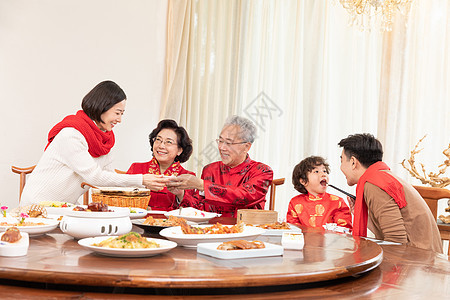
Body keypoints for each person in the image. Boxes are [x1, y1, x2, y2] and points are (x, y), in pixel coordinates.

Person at [20, 81, 167, 206]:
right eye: (117, 113)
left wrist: (147, 185)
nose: (120, 119)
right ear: (102, 106)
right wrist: (142, 179)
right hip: (36, 207)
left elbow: (108, 179)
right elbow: (94, 177)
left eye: (122, 114)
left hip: (62, 208)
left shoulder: (105, 142)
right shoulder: (71, 135)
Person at [338, 133, 443, 253]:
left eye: (341, 160)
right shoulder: (381, 176)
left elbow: (396, 242)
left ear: (353, 162)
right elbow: (390, 232)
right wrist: (360, 212)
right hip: (421, 258)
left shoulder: (374, 184)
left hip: (418, 263)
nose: (340, 167)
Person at [166, 115, 273, 217]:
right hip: (211, 231)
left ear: (246, 147)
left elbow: (242, 196)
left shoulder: (262, 171)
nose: (221, 147)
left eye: (228, 143)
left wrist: (202, 185)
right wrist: (181, 194)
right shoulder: (210, 170)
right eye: (220, 141)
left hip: (245, 232)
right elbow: (198, 209)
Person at [126, 119, 196, 211]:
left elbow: (194, 211)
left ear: (179, 150)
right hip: (137, 222)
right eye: (158, 140)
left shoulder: (188, 177)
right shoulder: (136, 168)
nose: (161, 146)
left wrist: (180, 194)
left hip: (172, 224)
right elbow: (121, 198)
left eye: (169, 142)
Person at [286, 156, 352, 230]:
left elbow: (345, 230)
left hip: (331, 241)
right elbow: (293, 229)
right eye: (316, 172)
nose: (323, 174)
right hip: (304, 241)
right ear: (303, 181)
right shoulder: (295, 202)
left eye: (324, 171)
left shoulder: (338, 202)